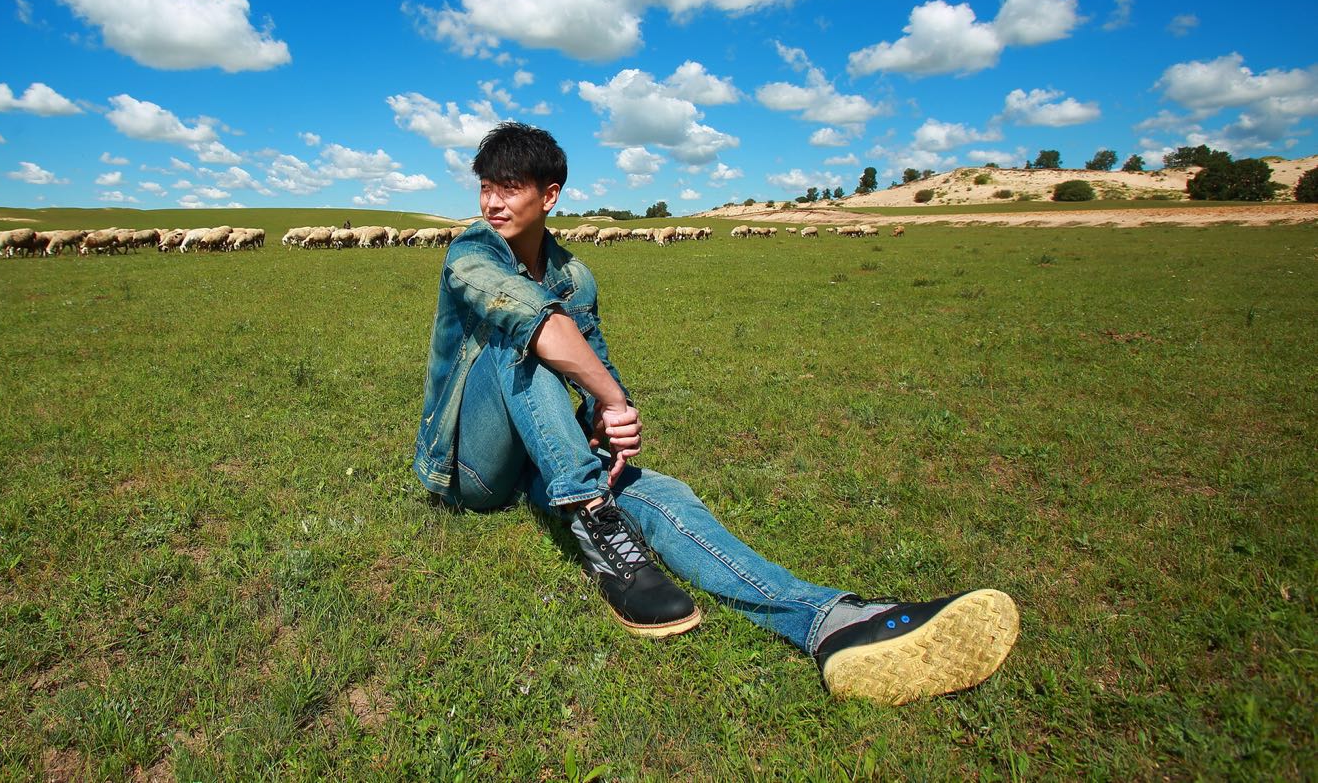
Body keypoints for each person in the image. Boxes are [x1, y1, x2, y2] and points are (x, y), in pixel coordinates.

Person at [414, 122, 1019, 704]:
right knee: (522, 338)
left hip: (546, 449)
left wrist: (610, 416)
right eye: (485, 187)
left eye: (509, 188)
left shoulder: (576, 276)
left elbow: (598, 364)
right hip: (477, 468)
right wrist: (612, 399)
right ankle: (593, 517)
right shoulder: (471, 250)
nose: (492, 203)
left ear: (549, 196)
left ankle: (830, 620)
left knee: (664, 495)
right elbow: (541, 328)